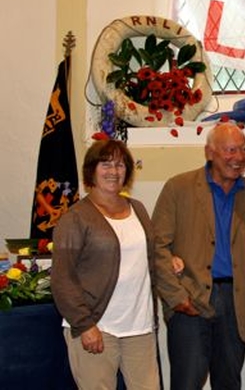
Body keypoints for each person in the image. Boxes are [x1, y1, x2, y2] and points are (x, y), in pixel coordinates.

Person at [152, 122, 245, 390]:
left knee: (229, 382)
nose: (239, 157)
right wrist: (175, 296)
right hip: (191, 299)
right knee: (187, 382)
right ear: (210, 152)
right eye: (231, 150)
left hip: (236, 301)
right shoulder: (178, 188)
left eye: (243, 149)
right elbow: (157, 247)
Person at [51, 139, 160, 390]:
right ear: (91, 170)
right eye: (106, 164)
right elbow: (62, 278)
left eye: (121, 165)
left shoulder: (138, 209)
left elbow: (148, 257)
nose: (114, 171)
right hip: (97, 326)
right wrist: (85, 324)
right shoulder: (75, 218)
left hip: (139, 328)